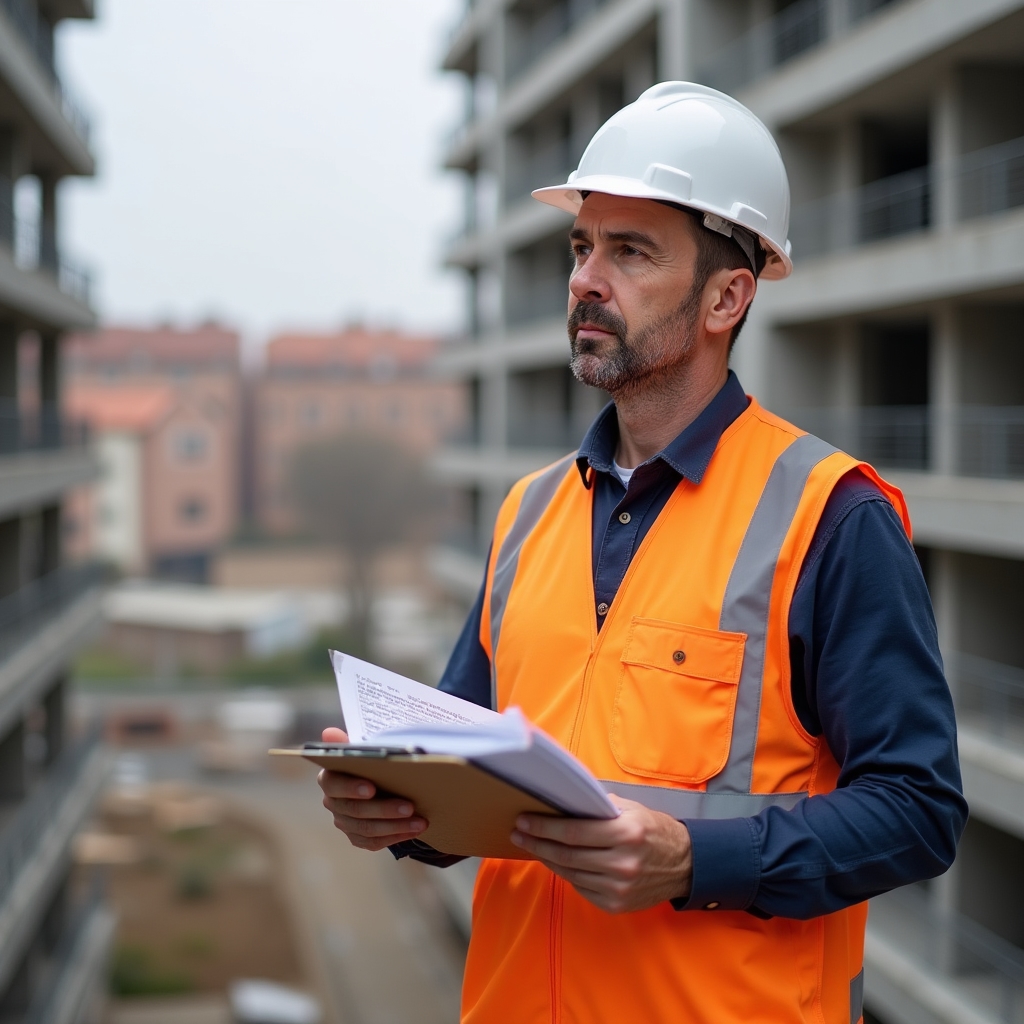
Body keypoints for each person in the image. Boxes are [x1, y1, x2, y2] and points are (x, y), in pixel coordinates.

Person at [318, 82, 966, 1024]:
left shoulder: (830, 517)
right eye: (582, 246)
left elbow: (919, 809)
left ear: (726, 296)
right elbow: (466, 773)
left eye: (630, 251)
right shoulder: (527, 513)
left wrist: (695, 861)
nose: (585, 278)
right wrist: (399, 816)